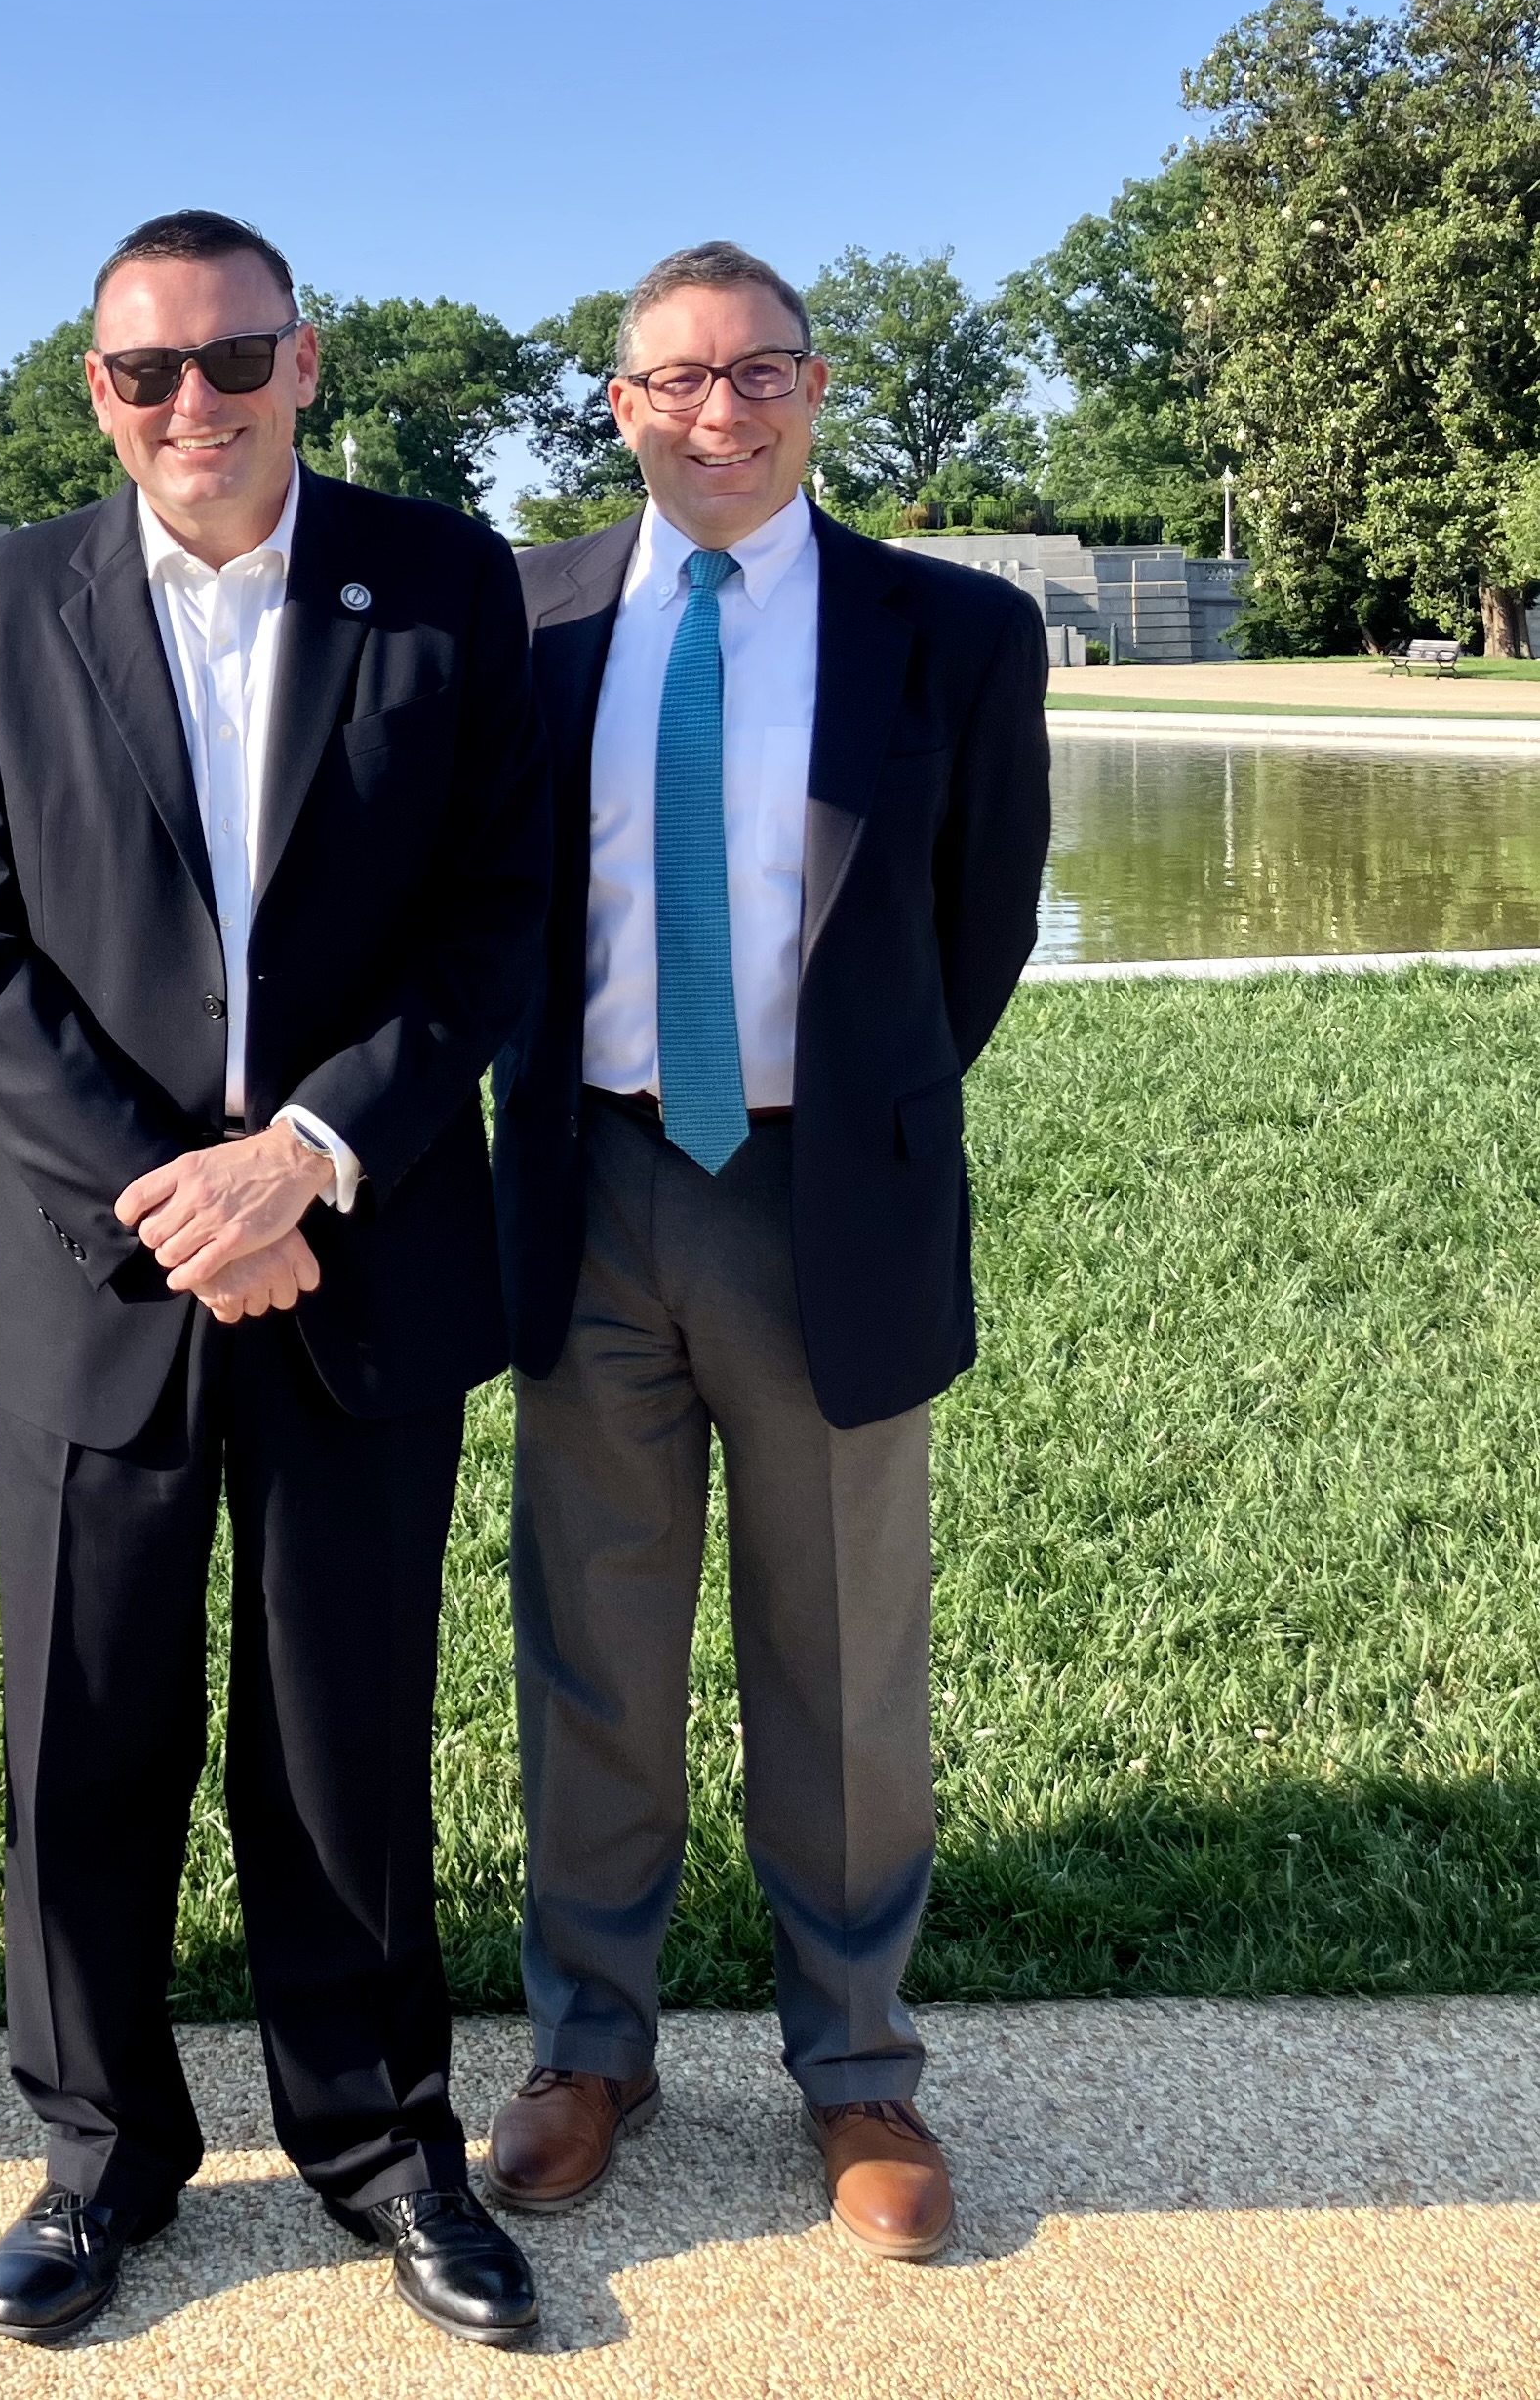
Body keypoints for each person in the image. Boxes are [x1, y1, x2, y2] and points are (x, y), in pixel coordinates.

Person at [0, 212, 549, 2347]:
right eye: (143, 371)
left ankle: (382, 2144)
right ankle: (103, 2151)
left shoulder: (446, 580)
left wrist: (305, 1160)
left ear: (306, 356)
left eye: (233, 356)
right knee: (85, 1728)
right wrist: (182, 1197)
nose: (194, 402)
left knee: (344, 1735)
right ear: (93, 388)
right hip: (102, 1274)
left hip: (363, 1249)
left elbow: (495, 920)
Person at [482, 242, 1051, 2262]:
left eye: (760, 376)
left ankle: (860, 2062)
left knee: (841, 1656)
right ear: (619, 403)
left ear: (816, 394)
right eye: (676, 379)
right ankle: (590, 2041)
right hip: (594, 1181)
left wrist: (855, 1100)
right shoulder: (530, 617)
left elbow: (972, 935)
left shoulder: (951, 633)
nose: (719, 413)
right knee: (595, 1647)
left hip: (828, 1196)